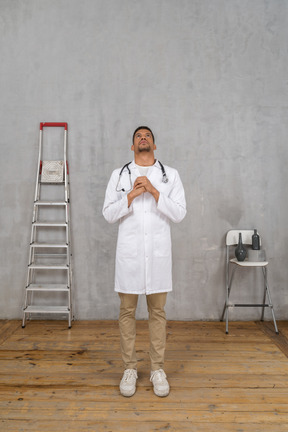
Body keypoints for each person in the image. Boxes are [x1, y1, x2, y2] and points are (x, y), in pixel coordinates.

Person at [102, 126, 186, 397]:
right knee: (127, 312)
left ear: (155, 144)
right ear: (132, 146)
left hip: (158, 255)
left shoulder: (169, 175)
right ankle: (129, 368)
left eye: (147, 135)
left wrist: (153, 191)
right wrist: (131, 195)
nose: (143, 138)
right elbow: (108, 214)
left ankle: (157, 369)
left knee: (157, 313)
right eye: (138, 136)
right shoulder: (119, 175)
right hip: (130, 257)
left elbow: (180, 213)